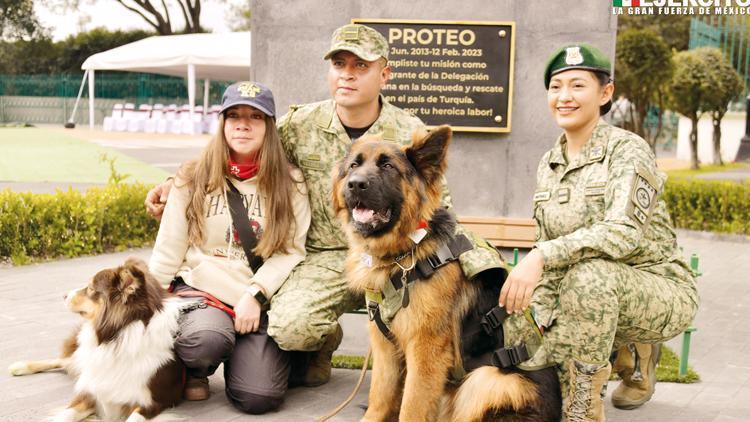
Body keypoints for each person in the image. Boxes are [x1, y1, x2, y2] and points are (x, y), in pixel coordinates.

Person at [145, 23, 504, 387]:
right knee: (290, 329)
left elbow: (440, 207)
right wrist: (175, 186)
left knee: (421, 327)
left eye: (360, 66)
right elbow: (243, 145)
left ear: (385, 75)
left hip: (393, 257)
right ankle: (322, 342)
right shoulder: (300, 123)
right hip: (323, 254)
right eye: (339, 65)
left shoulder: (408, 131)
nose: (347, 75)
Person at [499, 43, 699, 421]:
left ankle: (584, 409)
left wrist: (541, 255)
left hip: (655, 285)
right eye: (556, 87)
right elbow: (551, 251)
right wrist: (533, 321)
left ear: (605, 93)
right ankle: (611, 352)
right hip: (581, 293)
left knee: (590, 278)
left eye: (578, 86)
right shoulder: (550, 162)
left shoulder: (627, 149)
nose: (564, 97)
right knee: (524, 359)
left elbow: (621, 234)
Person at [148, 81, 311, 413]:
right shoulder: (193, 176)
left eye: (255, 116)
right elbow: (169, 247)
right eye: (233, 115)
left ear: (269, 126)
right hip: (203, 291)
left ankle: (255, 357)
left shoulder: (290, 182)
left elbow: (291, 251)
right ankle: (195, 369)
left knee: (259, 397)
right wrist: (147, 305)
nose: (243, 124)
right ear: (222, 122)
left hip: (255, 301)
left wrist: (256, 293)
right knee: (203, 341)